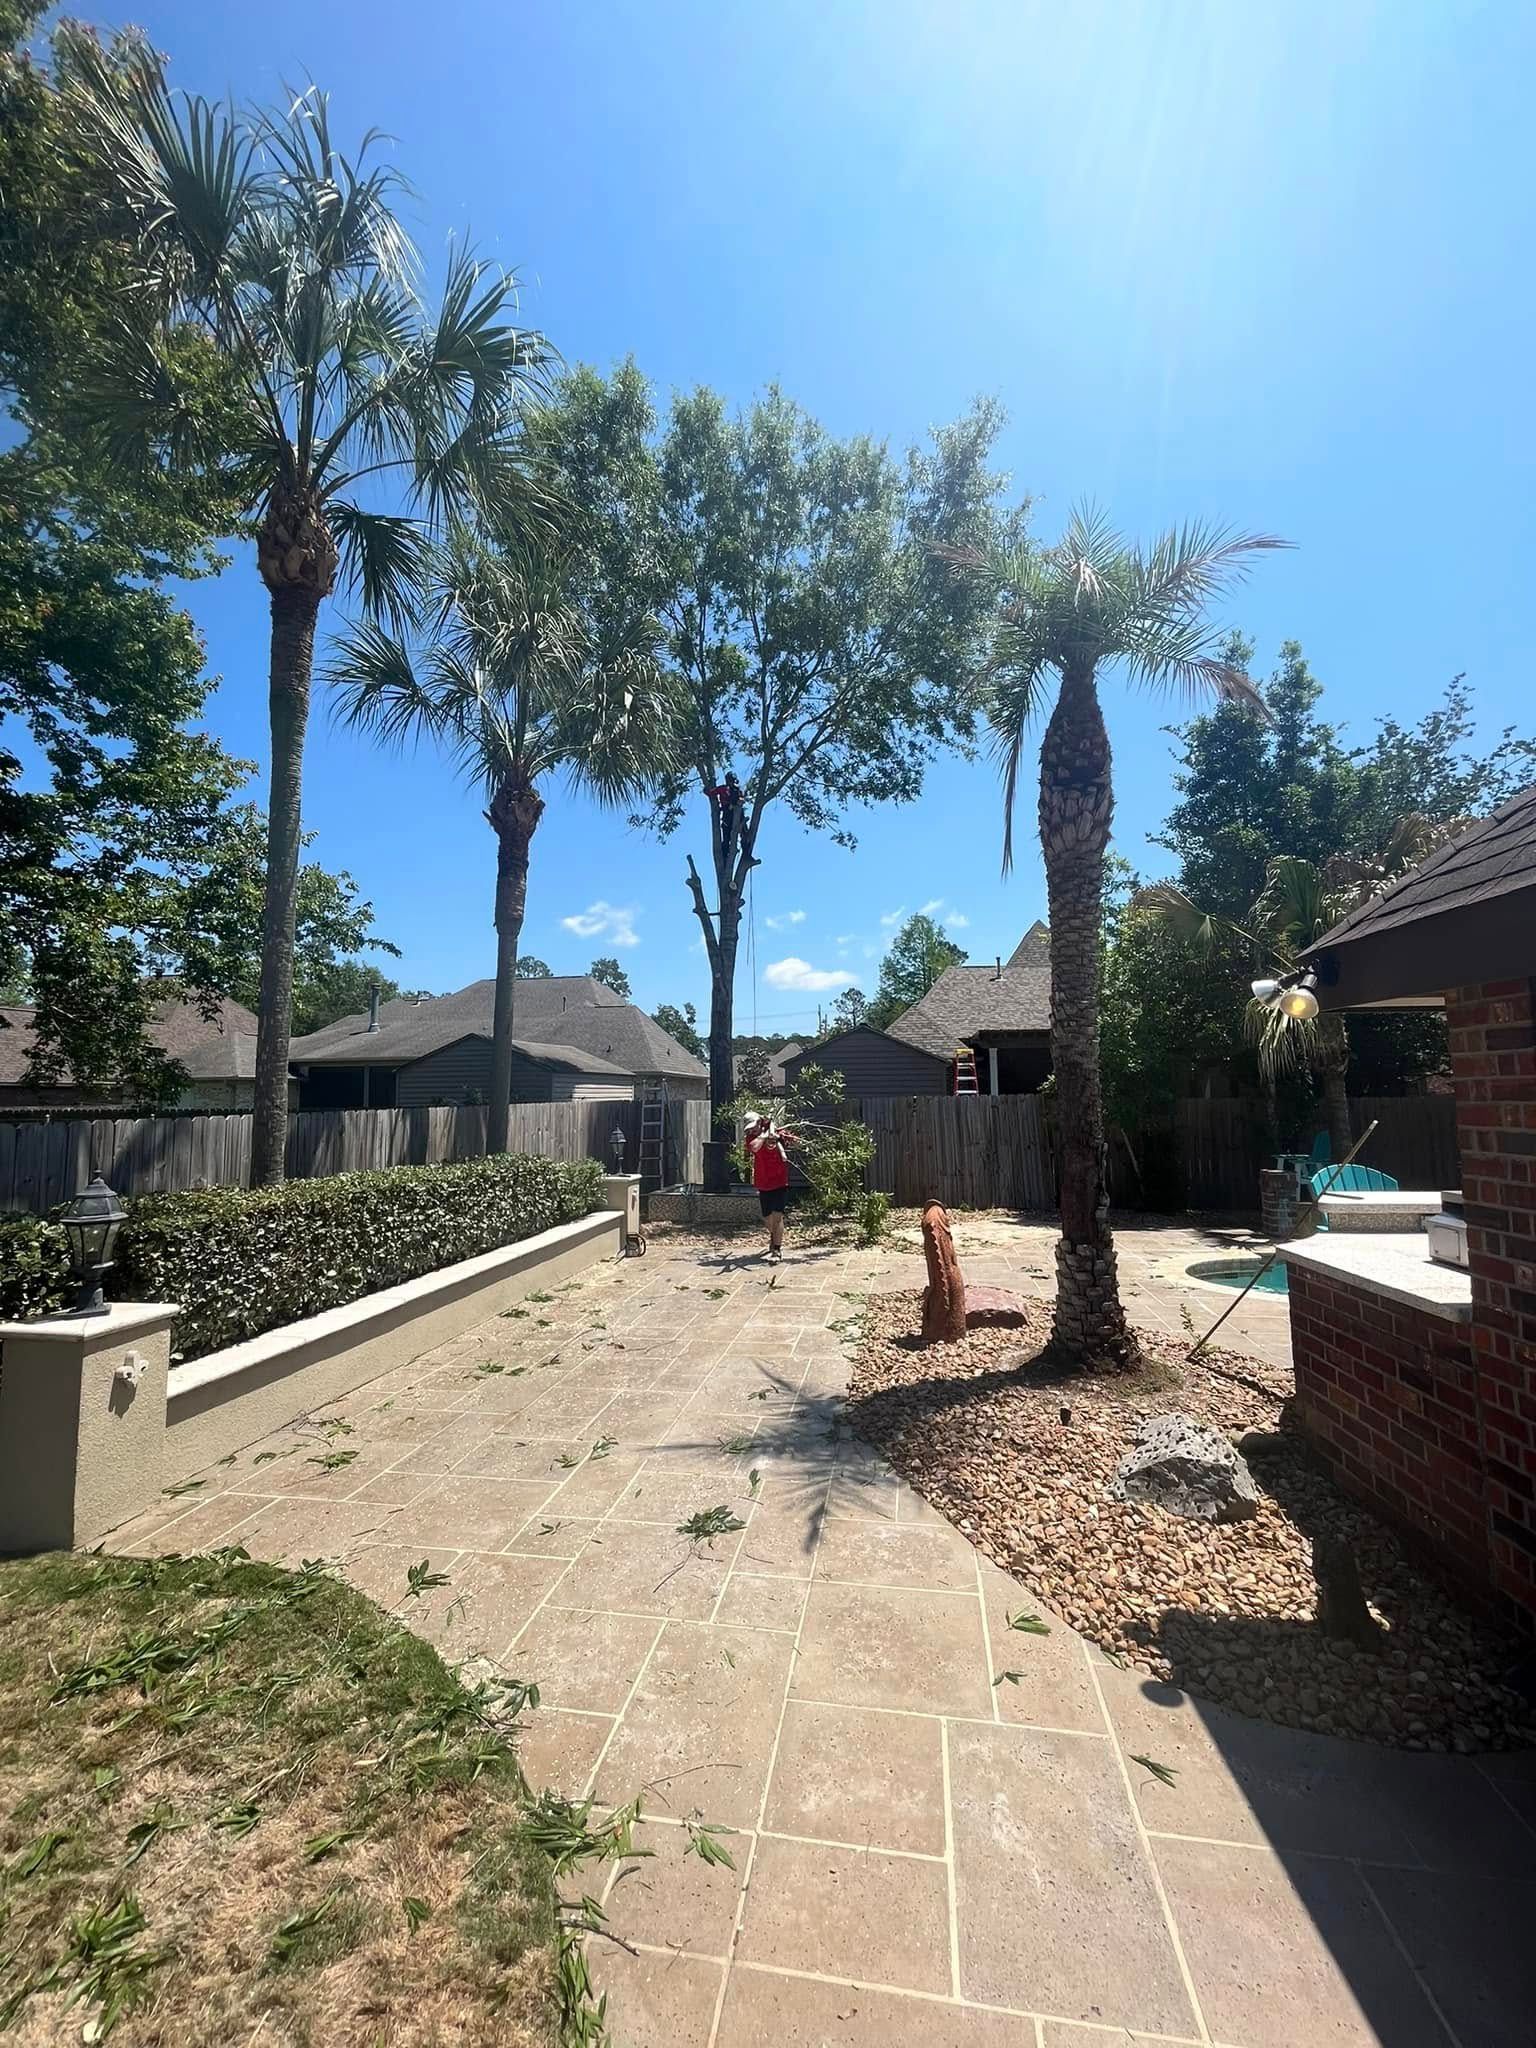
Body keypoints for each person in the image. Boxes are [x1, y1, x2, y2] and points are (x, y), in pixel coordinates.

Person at [745, 1114, 794, 1263]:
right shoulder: (751, 1139)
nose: (752, 1130)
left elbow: (796, 1144)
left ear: (760, 1123)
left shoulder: (776, 1134)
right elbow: (754, 1147)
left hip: (780, 1182)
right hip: (763, 1182)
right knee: (767, 1218)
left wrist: (781, 1136)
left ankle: (777, 1250)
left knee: (777, 1216)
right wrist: (766, 1134)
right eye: (750, 1128)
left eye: (754, 1127)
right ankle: (773, 1238)